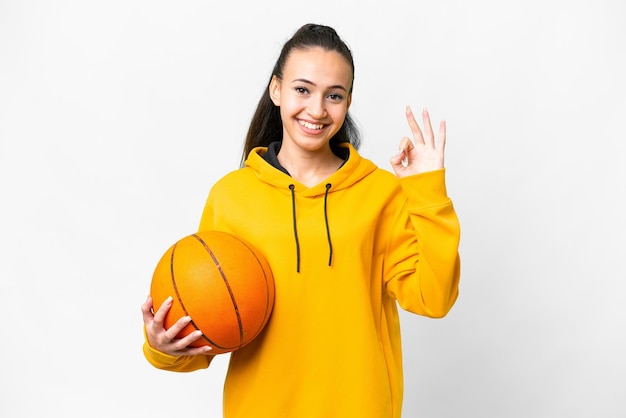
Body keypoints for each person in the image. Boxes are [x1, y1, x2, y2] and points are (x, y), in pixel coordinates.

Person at [141, 23, 461, 418]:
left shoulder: (380, 192)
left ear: (347, 102)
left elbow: (434, 297)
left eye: (334, 96)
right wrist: (162, 345)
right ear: (277, 89)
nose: (316, 109)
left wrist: (427, 192)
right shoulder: (231, 195)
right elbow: (212, 325)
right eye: (302, 89)